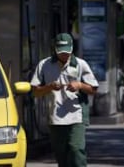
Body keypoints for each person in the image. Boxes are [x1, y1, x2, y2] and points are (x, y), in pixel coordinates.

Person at [30, 33, 99, 167]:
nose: (64, 55)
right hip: (55, 116)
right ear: (54, 49)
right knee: (61, 155)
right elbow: (35, 92)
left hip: (76, 116)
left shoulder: (80, 64)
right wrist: (49, 87)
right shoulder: (44, 65)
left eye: (67, 52)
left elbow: (94, 89)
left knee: (76, 149)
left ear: (72, 49)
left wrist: (79, 85)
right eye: (61, 52)